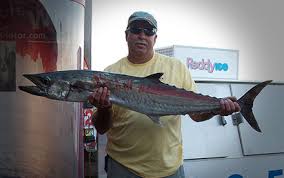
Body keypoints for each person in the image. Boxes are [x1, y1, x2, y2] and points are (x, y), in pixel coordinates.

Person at [89, 11, 241, 178]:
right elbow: (102, 128)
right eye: (136, 30)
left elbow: (196, 116)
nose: (142, 35)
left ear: (155, 38)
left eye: (148, 31)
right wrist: (104, 109)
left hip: (169, 169)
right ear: (126, 35)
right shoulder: (110, 73)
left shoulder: (177, 67)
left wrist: (216, 109)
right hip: (123, 167)